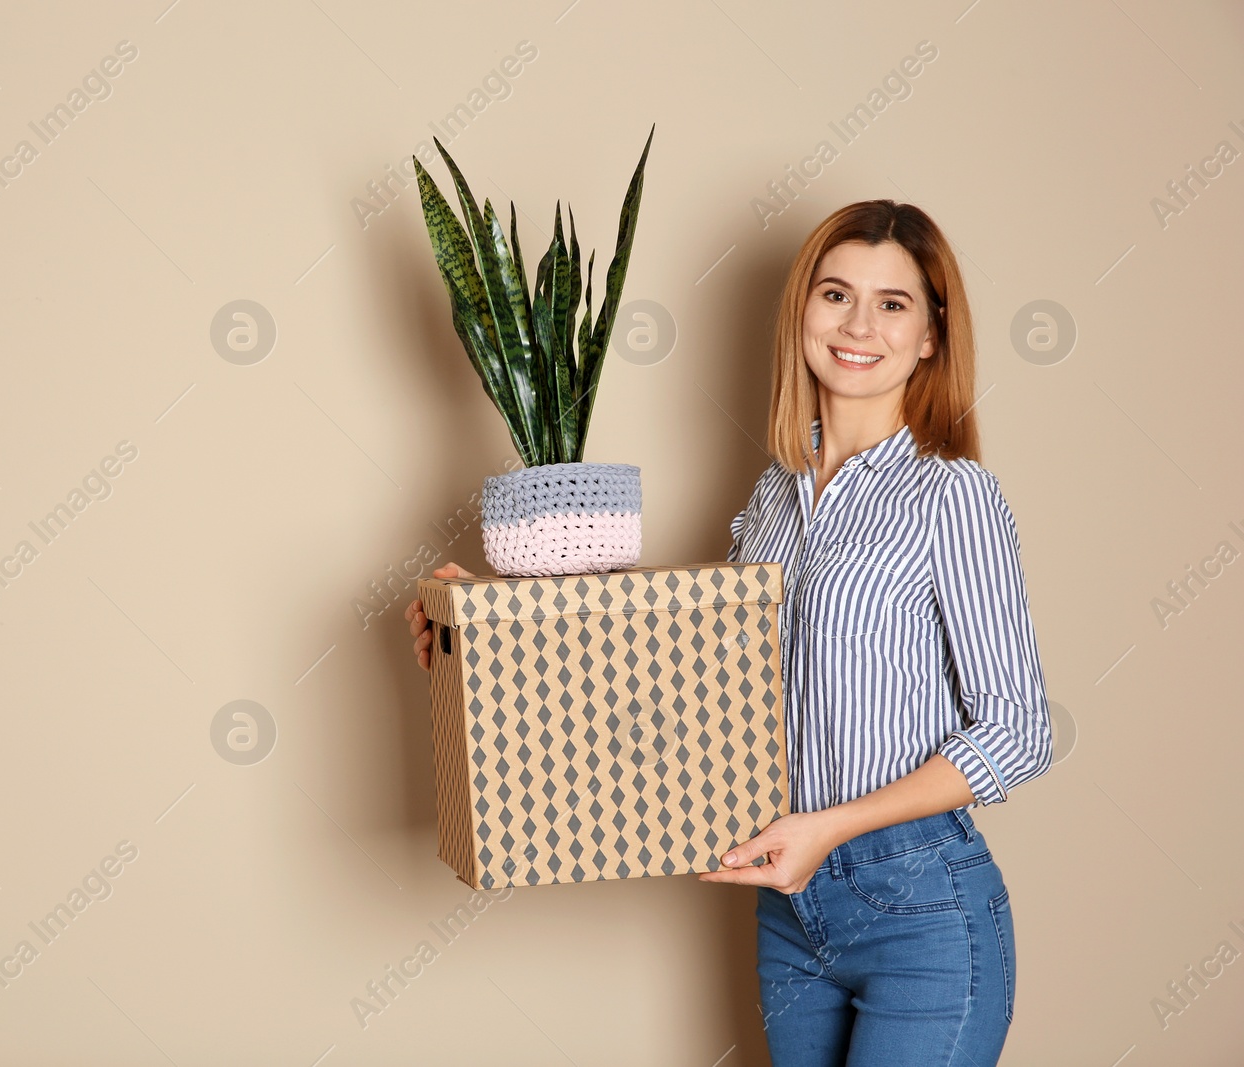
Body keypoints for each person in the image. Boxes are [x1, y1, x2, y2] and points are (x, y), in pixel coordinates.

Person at [402, 200, 1052, 1066]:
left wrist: (829, 826)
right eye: (836, 294)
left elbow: (1020, 730)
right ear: (804, 313)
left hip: (921, 905)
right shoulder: (773, 498)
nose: (860, 324)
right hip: (789, 915)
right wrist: (485, 631)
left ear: (931, 334)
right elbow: (689, 668)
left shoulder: (952, 495)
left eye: (894, 304)